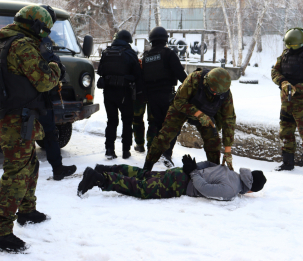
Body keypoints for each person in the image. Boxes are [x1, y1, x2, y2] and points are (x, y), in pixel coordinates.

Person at [0, 5, 61, 253]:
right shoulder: (21, 45)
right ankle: (1, 234)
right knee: (16, 175)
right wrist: (54, 67)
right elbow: (45, 81)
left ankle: (27, 210)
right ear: (35, 26)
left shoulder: (10, 42)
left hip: (20, 118)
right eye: (44, 30)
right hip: (17, 121)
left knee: (29, 165)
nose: (45, 35)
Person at [143, 67, 236, 172]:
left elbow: (229, 119)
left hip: (206, 113)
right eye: (213, 90)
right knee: (164, 137)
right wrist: (199, 114)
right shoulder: (194, 78)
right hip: (183, 107)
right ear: (206, 81)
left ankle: (214, 172)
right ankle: (147, 166)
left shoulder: (225, 92)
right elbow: (179, 101)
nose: (214, 94)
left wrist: (228, 151)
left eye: (217, 93)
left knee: (213, 142)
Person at [77, 154, 267, 200]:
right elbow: (204, 189)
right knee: (142, 187)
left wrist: (191, 167)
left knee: (144, 174)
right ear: (250, 189)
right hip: (181, 183)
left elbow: (209, 165)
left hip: (180, 173)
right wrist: (192, 172)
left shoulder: (230, 172)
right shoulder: (232, 190)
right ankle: (98, 178)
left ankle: (103, 168)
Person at [271, 28, 303, 176]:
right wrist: (282, 82)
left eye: (294, 46)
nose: (291, 49)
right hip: (286, 102)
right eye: (290, 46)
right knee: (285, 131)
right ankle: (287, 163)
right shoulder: (285, 55)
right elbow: (274, 72)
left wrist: (298, 88)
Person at [37, 4, 77, 181]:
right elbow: (50, 58)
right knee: (34, 133)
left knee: (50, 131)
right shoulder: (35, 40)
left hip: (41, 95)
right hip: (34, 95)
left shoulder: (40, 39)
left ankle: (57, 168)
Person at [141, 27, 187, 166]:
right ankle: (166, 153)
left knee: (156, 125)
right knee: (173, 125)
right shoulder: (168, 54)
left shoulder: (146, 57)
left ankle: (154, 153)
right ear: (165, 39)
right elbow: (180, 74)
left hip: (152, 97)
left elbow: (143, 78)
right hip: (166, 96)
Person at [97, 30, 142, 160]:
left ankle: (109, 150)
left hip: (108, 93)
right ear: (128, 40)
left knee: (112, 121)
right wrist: (139, 93)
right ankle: (126, 151)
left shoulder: (106, 52)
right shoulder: (130, 53)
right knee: (127, 121)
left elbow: (100, 71)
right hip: (124, 93)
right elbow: (138, 75)